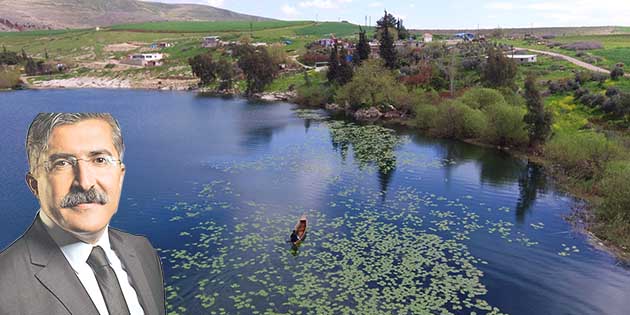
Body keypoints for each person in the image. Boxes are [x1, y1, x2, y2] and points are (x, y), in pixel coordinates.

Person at [0, 113, 165, 315]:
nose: (85, 182)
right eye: (62, 163)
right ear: (34, 185)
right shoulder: (5, 285)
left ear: (120, 176)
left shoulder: (142, 250)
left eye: (100, 160)